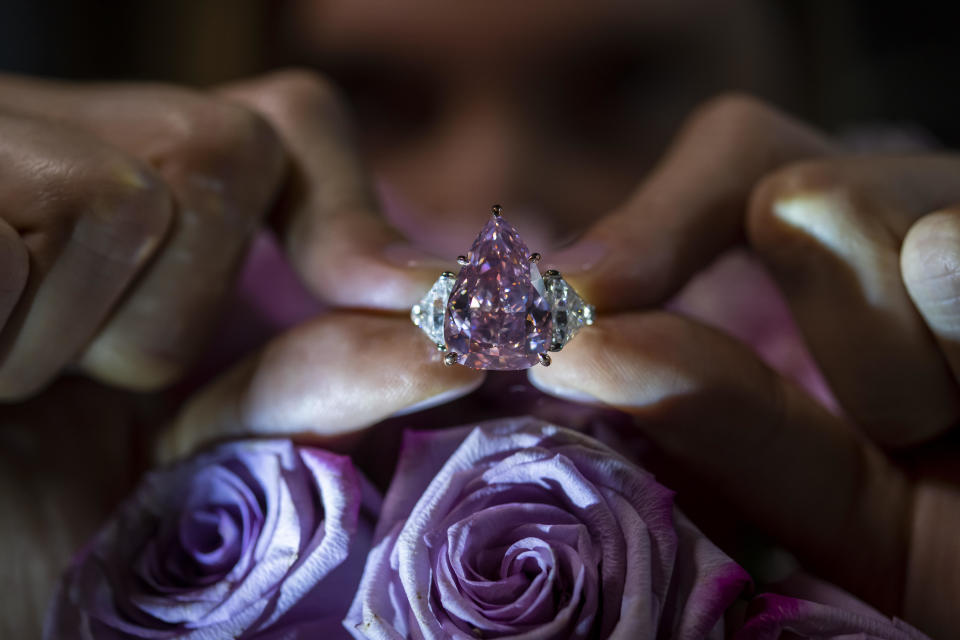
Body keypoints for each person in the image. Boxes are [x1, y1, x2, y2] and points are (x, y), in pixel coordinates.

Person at [0, 0, 957, 637]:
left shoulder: (902, 480)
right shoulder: (89, 421)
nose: (498, 186)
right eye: (376, 101)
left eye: (625, 84)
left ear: (808, 91)